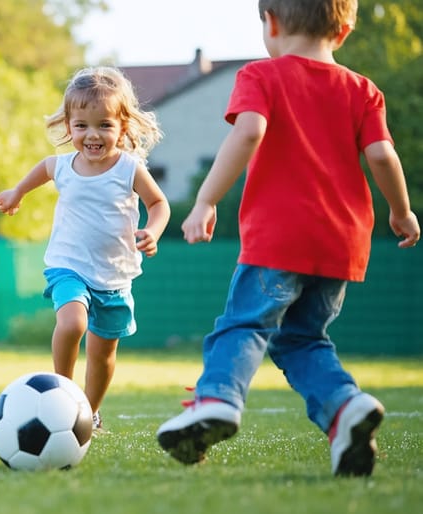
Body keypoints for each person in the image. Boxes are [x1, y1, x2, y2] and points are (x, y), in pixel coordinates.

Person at [156, 0, 420, 477]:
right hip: (341, 243)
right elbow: (382, 155)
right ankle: (345, 409)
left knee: (243, 326)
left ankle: (216, 401)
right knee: (301, 338)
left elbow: (250, 132)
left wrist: (205, 201)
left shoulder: (262, 76)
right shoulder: (364, 90)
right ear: (345, 31)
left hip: (279, 239)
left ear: (271, 23)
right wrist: (400, 212)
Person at [0, 66, 170, 432]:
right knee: (73, 321)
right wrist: (16, 192)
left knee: (103, 353)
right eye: (82, 126)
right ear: (69, 125)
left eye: (104, 125)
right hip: (67, 264)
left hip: (115, 275)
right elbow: (42, 169)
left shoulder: (129, 168)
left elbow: (159, 204)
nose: (92, 135)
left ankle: (88, 411)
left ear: (123, 127)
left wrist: (153, 230)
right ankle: (61, 392)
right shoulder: (63, 166)